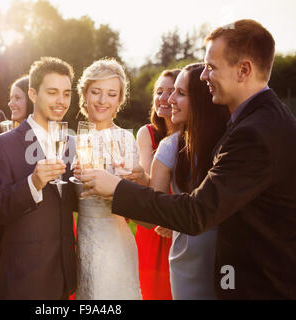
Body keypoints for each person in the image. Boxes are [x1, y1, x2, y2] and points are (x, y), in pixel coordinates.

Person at [79, 19, 296, 299]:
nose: (203, 75)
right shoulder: (260, 119)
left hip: (261, 287)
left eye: (211, 67)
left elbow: (196, 213)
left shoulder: (256, 132)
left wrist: (116, 187)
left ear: (244, 70)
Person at [0, 57, 77, 299]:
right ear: (33, 94)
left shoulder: (72, 143)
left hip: (64, 276)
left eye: (66, 94)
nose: (61, 101)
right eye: (53, 92)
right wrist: (32, 184)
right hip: (23, 278)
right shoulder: (2, 145)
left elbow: (69, 203)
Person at [152, 63, 229, 299]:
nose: (170, 99)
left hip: (229, 254)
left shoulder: (232, 143)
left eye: (180, 93)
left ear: (201, 100)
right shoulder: (169, 147)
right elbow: (155, 207)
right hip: (189, 256)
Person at [74, 58, 141, 300]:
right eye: (96, 92)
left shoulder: (126, 141)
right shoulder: (71, 141)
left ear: (119, 101)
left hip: (115, 241)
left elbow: (139, 203)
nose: (103, 100)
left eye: (111, 94)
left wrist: (125, 185)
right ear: (84, 95)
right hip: (83, 241)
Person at [135, 69, 180, 300]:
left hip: (182, 223)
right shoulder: (147, 133)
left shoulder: (194, 135)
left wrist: (176, 219)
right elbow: (149, 184)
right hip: (154, 226)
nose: (163, 97)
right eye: (159, 91)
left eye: (171, 91)